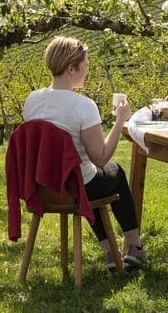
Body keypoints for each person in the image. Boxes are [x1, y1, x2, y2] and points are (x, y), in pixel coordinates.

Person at [22, 36, 147, 270]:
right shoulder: (83, 105)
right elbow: (100, 157)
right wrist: (120, 121)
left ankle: (111, 252)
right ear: (71, 68)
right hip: (74, 188)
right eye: (86, 65)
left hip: (42, 186)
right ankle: (134, 247)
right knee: (112, 172)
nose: (88, 71)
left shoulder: (32, 100)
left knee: (90, 175)